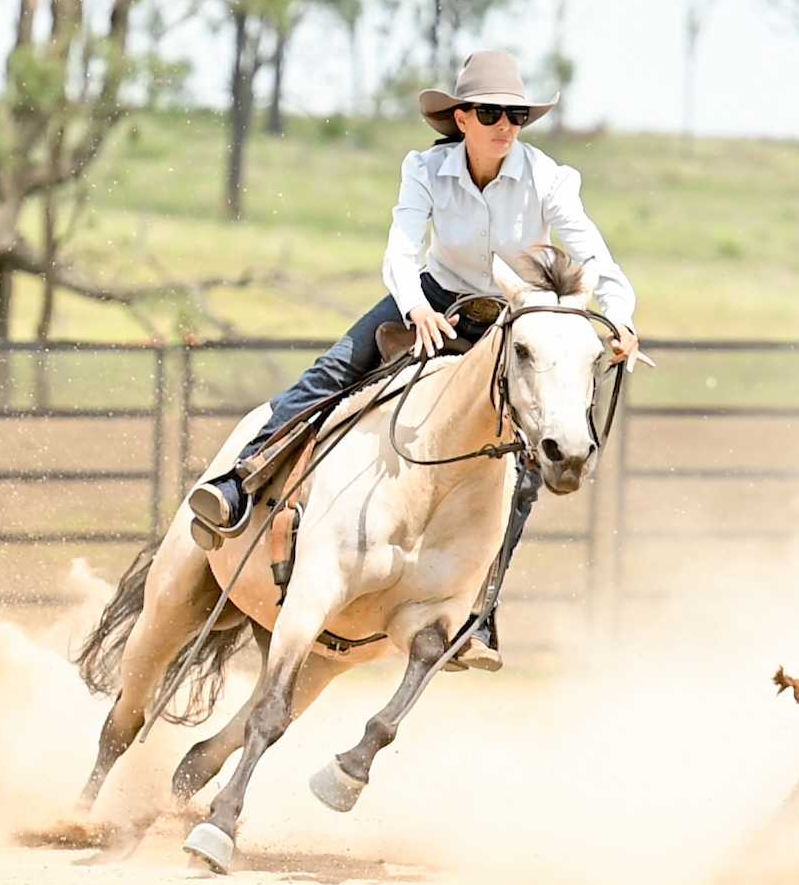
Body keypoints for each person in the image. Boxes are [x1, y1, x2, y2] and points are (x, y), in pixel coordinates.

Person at [187, 48, 639, 555]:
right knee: (334, 370)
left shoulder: (549, 179)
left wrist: (620, 319)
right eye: (490, 113)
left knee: (530, 450)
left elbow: (597, 260)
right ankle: (239, 482)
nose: (504, 126)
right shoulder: (426, 169)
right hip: (435, 300)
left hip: (516, 319)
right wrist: (416, 306)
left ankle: (485, 589)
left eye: (515, 114)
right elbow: (401, 249)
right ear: (462, 118)